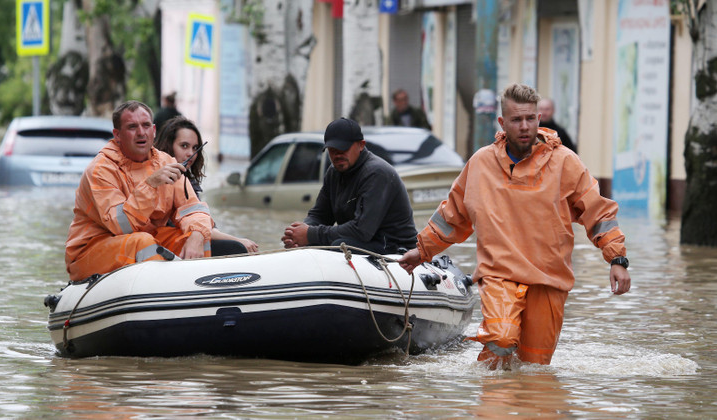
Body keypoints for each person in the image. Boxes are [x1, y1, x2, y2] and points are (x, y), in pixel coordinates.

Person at [398, 83, 631, 368]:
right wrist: (422, 251)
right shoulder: (481, 163)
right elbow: (452, 216)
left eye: (530, 118)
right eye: (516, 119)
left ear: (538, 119)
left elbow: (598, 211)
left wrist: (617, 258)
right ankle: (492, 405)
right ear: (502, 122)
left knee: (534, 369)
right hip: (500, 274)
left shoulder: (565, 163)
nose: (524, 126)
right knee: (501, 338)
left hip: (549, 279)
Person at [65, 100, 212, 282]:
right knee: (142, 242)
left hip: (144, 240)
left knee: (198, 237)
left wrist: (197, 235)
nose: (141, 132)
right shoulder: (100, 169)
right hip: (91, 250)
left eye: (146, 125)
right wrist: (150, 184)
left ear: (154, 130)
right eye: (132, 127)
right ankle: (164, 293)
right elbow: (122, 226)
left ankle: (193, 293)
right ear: (117, 135)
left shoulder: (166, 161)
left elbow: (193, 209)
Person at [281, 117, 418, 254]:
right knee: (316, 244)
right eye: (333, 150)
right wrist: (298, 234)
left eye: (343, 148)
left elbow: (362, 230)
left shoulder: (376, 173)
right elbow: (320, 215)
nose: (338, 155)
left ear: (361, 145)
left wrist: (310, 234)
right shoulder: (333, 173)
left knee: (339, 245)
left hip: (395, 247)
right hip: (364, 242)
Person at [154, 116, 259, 254]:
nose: (190, 153)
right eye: (184, 146)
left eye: (195, 148)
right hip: (166, 249)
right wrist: (238, 240)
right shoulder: (161, 179)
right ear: (168, 145)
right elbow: (196, 228)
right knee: (236, 248)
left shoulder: (187, 181)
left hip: (185, 243)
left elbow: (204, 225)